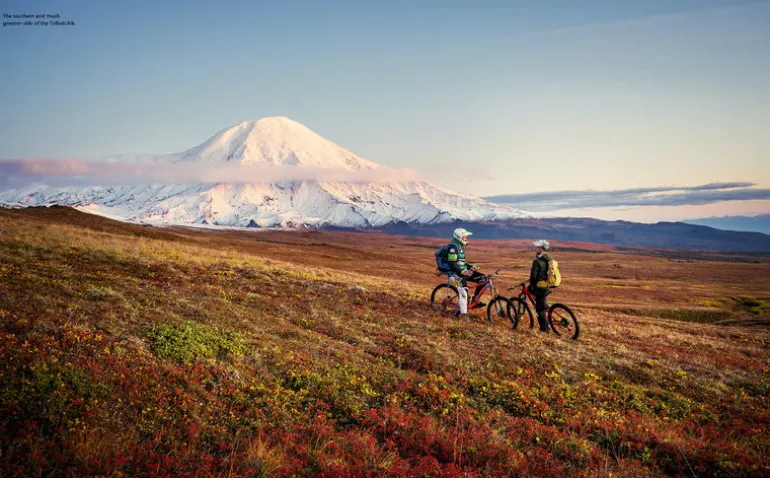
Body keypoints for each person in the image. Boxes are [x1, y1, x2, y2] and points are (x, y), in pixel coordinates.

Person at [443, 227, 487, 322]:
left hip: (462, 270)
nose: (466, 239)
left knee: (483, 279)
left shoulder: (460, 246)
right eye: (464, 237)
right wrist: (462, 272)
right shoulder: (453, 248)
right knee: (463, 291)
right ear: (458, 237)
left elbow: (461, 263)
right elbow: (452, 264)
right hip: (454, 273)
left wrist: (471, 267)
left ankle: (475, 301)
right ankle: (464, 315)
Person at [529, 239, 553, 333]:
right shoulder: (549, 259)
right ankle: (544, 306)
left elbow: (533, 277)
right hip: (547, 285)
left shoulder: (537, 261)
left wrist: (532, 283)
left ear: (541, 248)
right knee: (541, 302)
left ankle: (544, 329)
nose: (536, 248)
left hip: (540, 287)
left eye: (537, 247)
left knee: (540, 309)